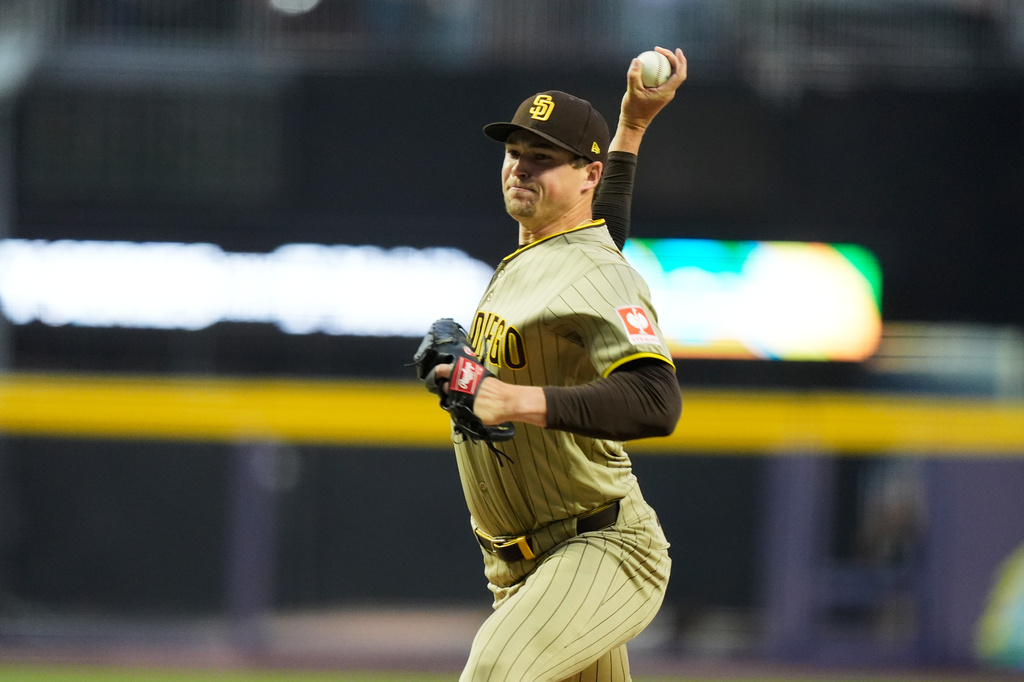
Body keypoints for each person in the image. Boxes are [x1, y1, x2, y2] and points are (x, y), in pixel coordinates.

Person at [427, 47, 687, 682]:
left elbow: (657, 401)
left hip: (600, 548)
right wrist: (632, 125)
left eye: (543, 158)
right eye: (515, 152)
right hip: (525, 568)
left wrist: (516, 400)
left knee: (492, 674)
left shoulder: (595, 268)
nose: (521, 166)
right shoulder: (546, 254)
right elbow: (602, 235)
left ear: (587, 176)